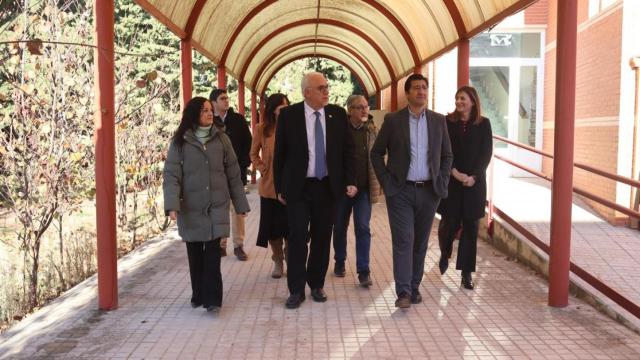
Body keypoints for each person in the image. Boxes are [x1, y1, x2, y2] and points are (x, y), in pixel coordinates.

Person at [273, 72, 356, 309]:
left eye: (326, 87)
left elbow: (348, 151)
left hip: (327, 187)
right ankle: (296, 289)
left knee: (322, 236)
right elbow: (280, 155)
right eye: (321, 88)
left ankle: (316, 284)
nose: (326, 91)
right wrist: (279, 187)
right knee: (298, 236)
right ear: (307, 92)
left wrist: (350, 180)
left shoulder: (337, 114)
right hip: (299, 188)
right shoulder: (289, 116)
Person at [370, 73, 453, 309]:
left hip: (429, 192)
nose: (421, 92)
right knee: (404, 240)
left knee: (421, 242)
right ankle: (403, 291)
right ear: (407, 93)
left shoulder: (438, 121)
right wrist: (386, 182)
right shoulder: (393, 121)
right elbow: (376, 153)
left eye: (424, 88)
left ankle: (415, 287)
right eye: (416, 88)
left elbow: (447, 155)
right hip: (401, 191)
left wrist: (442, 182)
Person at [163, 97, 250, 313]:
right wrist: (172, 205)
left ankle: (213, 300)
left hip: (216, 205)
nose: (210, 114)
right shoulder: (180, 141)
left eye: (210, 110)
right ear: (194, 114)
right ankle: (198, 294)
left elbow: (233, 173)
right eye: (204, 111)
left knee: (213, 253)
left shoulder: (222, 139)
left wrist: (241, 204)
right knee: (195, 254)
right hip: (191, 207)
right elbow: (172, 174)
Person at [437, 86, 493, 290]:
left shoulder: (483, 124)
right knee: (448, 224)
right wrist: (454, 172)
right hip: (452, 181)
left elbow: (486, 153)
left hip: (474, 185)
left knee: (470, 228)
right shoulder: (447, 122)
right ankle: (445, 252)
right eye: (457, 98)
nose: (459, 101)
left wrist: (474, 177)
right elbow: (442, 150)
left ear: (473, 101)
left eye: (463, 98)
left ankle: (466, 273)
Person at [332, 95, 382, 287]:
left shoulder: (372, 130)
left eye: (365, 107)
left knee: (363, 227)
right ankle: (340, 260)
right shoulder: (339, 130)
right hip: (343, 189)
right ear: (349, 110)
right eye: (359, 107)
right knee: (339, 226)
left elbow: (378, 157)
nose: (364, 111)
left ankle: (363, 271)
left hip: (364, 189)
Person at [251, 93, 290, 279]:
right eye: (281, 106)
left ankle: (291, 256)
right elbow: (253, 154)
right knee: (273, 229)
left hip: (290, 186)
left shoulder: (294, 127)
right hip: (269, 187)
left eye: (286, 106)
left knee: (291, 227)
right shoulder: (261, 129)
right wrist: (262, 168)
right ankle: (278, 259)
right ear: (273, 109)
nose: (284, 109)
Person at [210, 88, 253, 261]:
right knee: (220, 209)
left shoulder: (238, 120)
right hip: (216, 175)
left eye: (227, 98)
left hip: (236, 174)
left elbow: (248, 143)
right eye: (222, 98)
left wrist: (242, 164)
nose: (226, 101)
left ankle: (238, 245)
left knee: (238, 210)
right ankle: (221, 245)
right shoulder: (209, 121)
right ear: (213, 103)